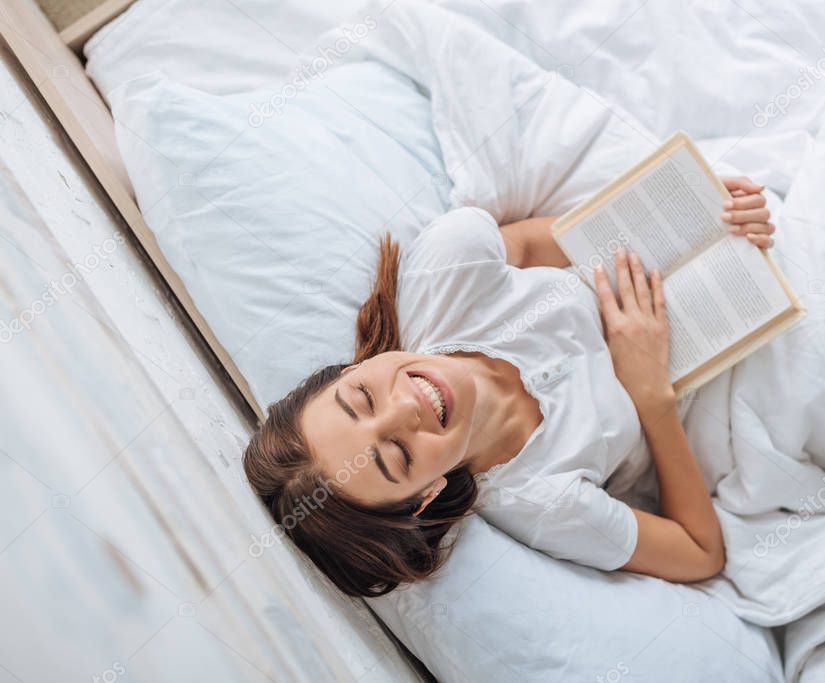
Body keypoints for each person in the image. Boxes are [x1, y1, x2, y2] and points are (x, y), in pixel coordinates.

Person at [244, 176, 776, 597]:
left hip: (662, 277)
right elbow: (701, 551)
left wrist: (690, 221)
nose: (407, 408)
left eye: (361, 398)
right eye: (398, 455)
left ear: (348, 370)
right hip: (721, 391)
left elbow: (524, 244)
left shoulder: (445, 273)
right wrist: (650, 396)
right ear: (427, 495)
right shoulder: (544, 502)